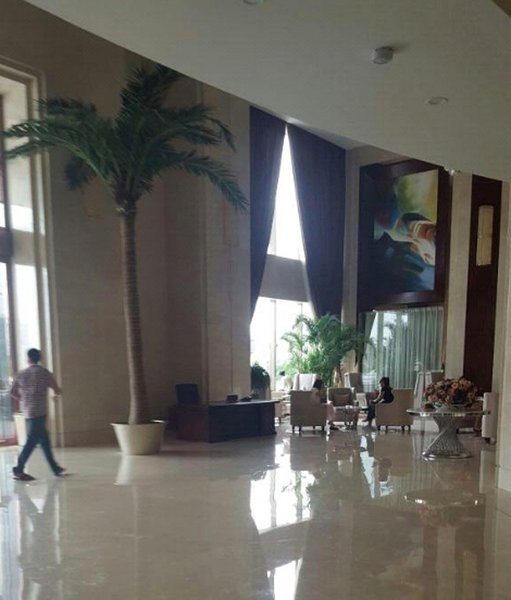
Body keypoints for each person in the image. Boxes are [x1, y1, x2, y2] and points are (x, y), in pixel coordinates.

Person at [10, 348, 65, 481]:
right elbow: (57, 389)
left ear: (28, 359)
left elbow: (12, 392)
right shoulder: (44, 373)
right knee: (31, 441)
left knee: (44, 440)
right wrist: (54, 396)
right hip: (40, 411)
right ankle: (18, 469)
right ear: (39, 358)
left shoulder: (21, 374)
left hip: (28, 411)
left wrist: (23, 399)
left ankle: (55, 468)